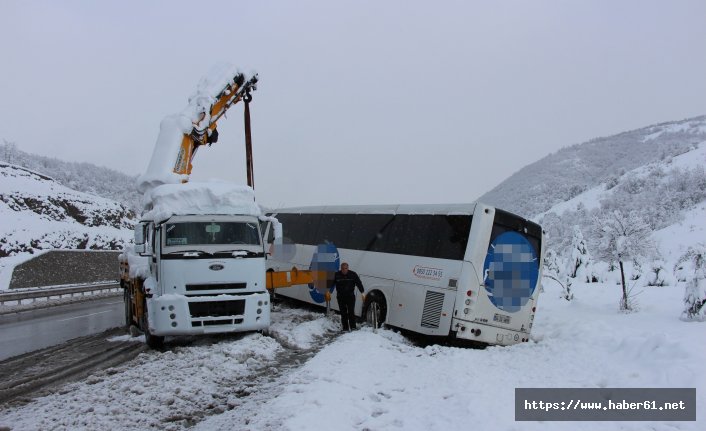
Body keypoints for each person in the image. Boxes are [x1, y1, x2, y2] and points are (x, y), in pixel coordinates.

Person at [332, 262, 365, 331]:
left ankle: (353, 327)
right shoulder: (337, 275)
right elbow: (331, 284)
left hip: (350, 297)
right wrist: (328, 292)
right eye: (343, 269)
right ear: (341, 269)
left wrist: (362, 292)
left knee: (351, 312)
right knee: (343, 313)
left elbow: (359, 283)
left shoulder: (353, 274)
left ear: (348, 268)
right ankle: (345, 328)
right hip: (340, 297)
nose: (344, 270)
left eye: (346, 268)